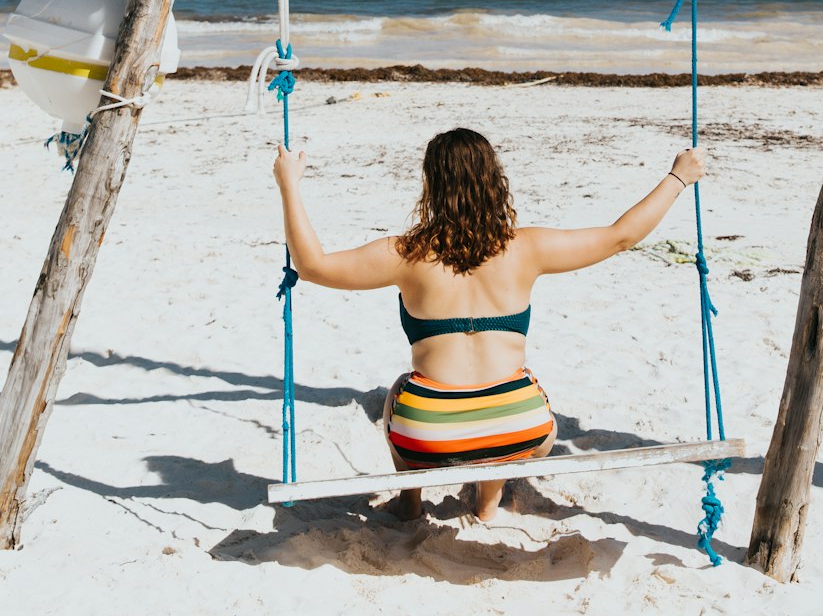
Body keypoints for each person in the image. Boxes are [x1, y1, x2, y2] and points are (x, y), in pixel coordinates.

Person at [273, 126, 706, 522]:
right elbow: (621, 236)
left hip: (427, 437)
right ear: (493, 181)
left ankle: (410, 500)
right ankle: (487, 503)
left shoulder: (405, 254)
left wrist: (289, 184)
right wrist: (678, 178)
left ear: (431, 186)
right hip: (523, 431)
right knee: (513, 386)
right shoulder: (527, 248)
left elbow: (312, 265)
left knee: (400, 391)